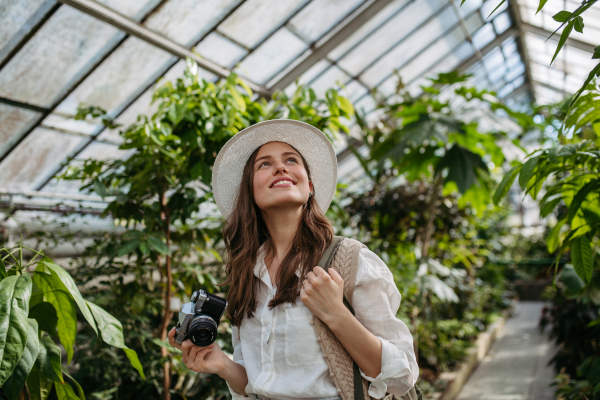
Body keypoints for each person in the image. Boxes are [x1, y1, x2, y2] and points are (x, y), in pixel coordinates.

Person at [168, 120, 419, 399]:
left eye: (291, 160)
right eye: (264, 164)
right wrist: (222, 364)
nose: (281, 167)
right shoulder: (247, 273)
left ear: (309, 186)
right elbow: (256, 385)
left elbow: (402, 375)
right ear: (250, 191)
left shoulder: (350, 260)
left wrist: (336, 314)